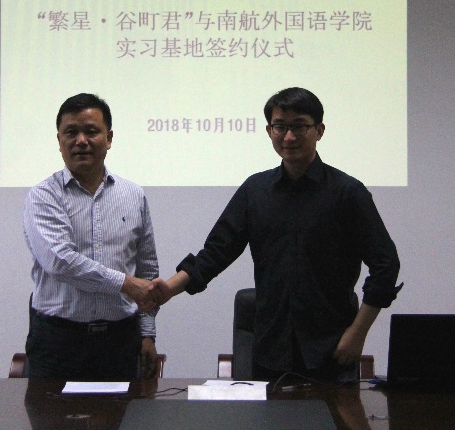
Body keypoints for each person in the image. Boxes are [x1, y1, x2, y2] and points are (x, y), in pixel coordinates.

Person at [151, 87, 401, 382]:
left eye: (300, 126)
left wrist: (358, 333)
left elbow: (386, 264)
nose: (289, 137)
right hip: (271, 350)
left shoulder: (347, 192)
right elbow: (217, 252)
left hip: (332, 349)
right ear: (269, 131)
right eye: (280, 127)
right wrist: (169, 289)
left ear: (319, 131)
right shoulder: (255, 191)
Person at [22, 93, 160, 379]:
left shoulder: (133, 195)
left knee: (124, 410)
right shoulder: (44, 195)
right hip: (58, 342)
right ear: (59, 140)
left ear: (109, 138)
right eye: (71, 132)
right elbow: (60, 261)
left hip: (121, 341)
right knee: (49, 410)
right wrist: (125, 284)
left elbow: (146, 269)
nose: (81, 141)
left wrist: (147, 333)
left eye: (91, 131)